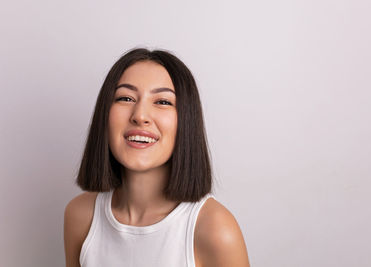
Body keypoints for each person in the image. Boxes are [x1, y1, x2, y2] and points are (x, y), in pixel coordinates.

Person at [63, 48, 250, 267]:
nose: (140, 116)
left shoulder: (215, 229)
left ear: (187, 122)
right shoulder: (80, 216)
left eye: (163, 102)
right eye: (125, 98)